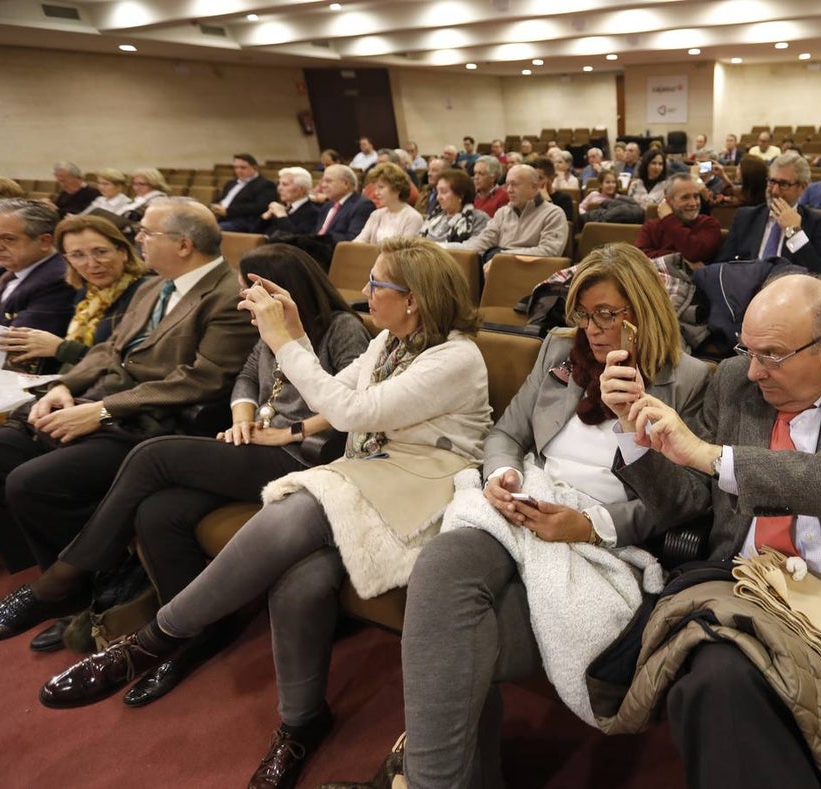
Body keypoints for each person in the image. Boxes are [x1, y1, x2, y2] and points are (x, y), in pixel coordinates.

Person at [38, 238, 492, 789]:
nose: (365, 293)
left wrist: (285, 340)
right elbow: (334, 392)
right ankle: (302, 722)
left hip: (426, 487)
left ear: (414, 300)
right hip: (375, 475)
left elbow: (352, 412)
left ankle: (157, 638)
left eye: (377, 285)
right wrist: (294, 334)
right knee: (298, 581)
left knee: (300, 504)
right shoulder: (389, 343)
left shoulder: (456, 356)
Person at [380, 243, 710, 789]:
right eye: (584, 312)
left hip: (599, 533)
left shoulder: (691, 380)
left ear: (644, 311)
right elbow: (507, 435)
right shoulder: (560, 350)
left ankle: (429, 778)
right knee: (442, 566)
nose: (594, 328)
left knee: (458, 636)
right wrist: (501, 477)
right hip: (527, 500)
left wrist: (593, 525)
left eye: (608, 313)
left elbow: (687, 503)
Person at [603, 273, 821, 787]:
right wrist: (635, 432)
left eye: (772, 355)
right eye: (748, 350)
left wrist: (714, 457)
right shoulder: (734, 380)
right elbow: (687, 502)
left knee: (726, 686)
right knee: (718, 676)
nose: (754, 370)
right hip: (750, 587)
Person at [0, 243, 367, 661]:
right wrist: (242, 415)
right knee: (160, 510)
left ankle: (63, 579)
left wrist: (290, 431)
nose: (242, 302)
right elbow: (245, 379)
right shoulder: (267, 328)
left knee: (153, 455)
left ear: (277, 291)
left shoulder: (341, 326)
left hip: (304, 454)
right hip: (260, 440)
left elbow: (355, 402)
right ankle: (196, 630)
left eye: (247, 293)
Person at [0, 197, 257, 583]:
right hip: (101, 403)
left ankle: (85, 582)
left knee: (31, 482)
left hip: (150, 426)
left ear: (183, 245)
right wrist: (63, 385)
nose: (139, 239)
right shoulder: (153, 286)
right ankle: (42, 568)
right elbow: (109, 349)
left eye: (147, 232)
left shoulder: (229, 296)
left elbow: (202, 379)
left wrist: (102, 409)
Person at [0, 214, 148, 375]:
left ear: (123, 253)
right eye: (78, 255)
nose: (92, 263)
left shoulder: (145, 294)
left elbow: (131, 365)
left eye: (101, 252)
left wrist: (61, 348)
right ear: (68, 261)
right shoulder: (84, 294)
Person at [0, 199, 76, 336]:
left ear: (44, 241)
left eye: (8, 239)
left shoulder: (59, 281)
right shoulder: (1, 271)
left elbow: (14, 345)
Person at [719, 153, 821, 273]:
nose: (775, 191)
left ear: (802, 187)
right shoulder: (745, 217)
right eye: (772, 182)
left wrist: (793, 232)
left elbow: (818, 272)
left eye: (783, 184)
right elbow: (722, 264)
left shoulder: (816, 222)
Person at [464, 165, 569, 271]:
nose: (509, 190)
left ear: (534, 187)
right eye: (507, 185)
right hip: (498, 270)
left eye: (514, 184)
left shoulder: (553, 214)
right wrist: (451, 252)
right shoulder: (502, 213)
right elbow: (482, 243)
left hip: (532, 273)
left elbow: (549, 252)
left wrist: (502, 258)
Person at [635, 173, 722, 264]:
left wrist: (669, 219)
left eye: (696, 196)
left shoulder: (709, 224)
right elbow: (638, 257)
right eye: (685, 198)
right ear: (668, 201)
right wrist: (682, 259)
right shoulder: (652, 226)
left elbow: (695, 253)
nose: (693, 203)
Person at [356, 164, 425, 244]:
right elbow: (360, 240)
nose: (376, 193)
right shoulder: (376, 214)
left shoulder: (413, 218)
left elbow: (405, 251)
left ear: (397, 188)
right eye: (375, 188)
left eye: (381, 187)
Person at [419, 168, 489, 247]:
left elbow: (473, 247)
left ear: (461, 195)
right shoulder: (435, 216)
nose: (438, 197)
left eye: (444, 192)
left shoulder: (478, 218)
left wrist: (433, 248)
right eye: (438, 192)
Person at [210, 154, 278, 233]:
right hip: (222, 217)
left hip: (244, 221)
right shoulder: (231, 183)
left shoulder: (265, 184)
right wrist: (214, 206)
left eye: (243, 167)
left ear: (255, 168)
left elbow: (260, 207)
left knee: (212, 231)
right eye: (236, 167)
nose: (239, 170)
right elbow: (221, 199)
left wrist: (228, 211)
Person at [314, 165, 375, 244]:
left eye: (328, 181)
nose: (323, 185)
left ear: (346, 184)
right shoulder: (327, 205)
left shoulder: (363, 205)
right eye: (323, 181)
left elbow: (353, 238)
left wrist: (319, 240)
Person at [260, 166, 318, 236]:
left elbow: (296, 238)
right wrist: (265, 217)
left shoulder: (313, 212)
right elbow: (254, 234)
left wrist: (282, 216)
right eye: (279, 184)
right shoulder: (283, 208)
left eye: (285, 184)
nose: (279, 188)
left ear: (301, 189)